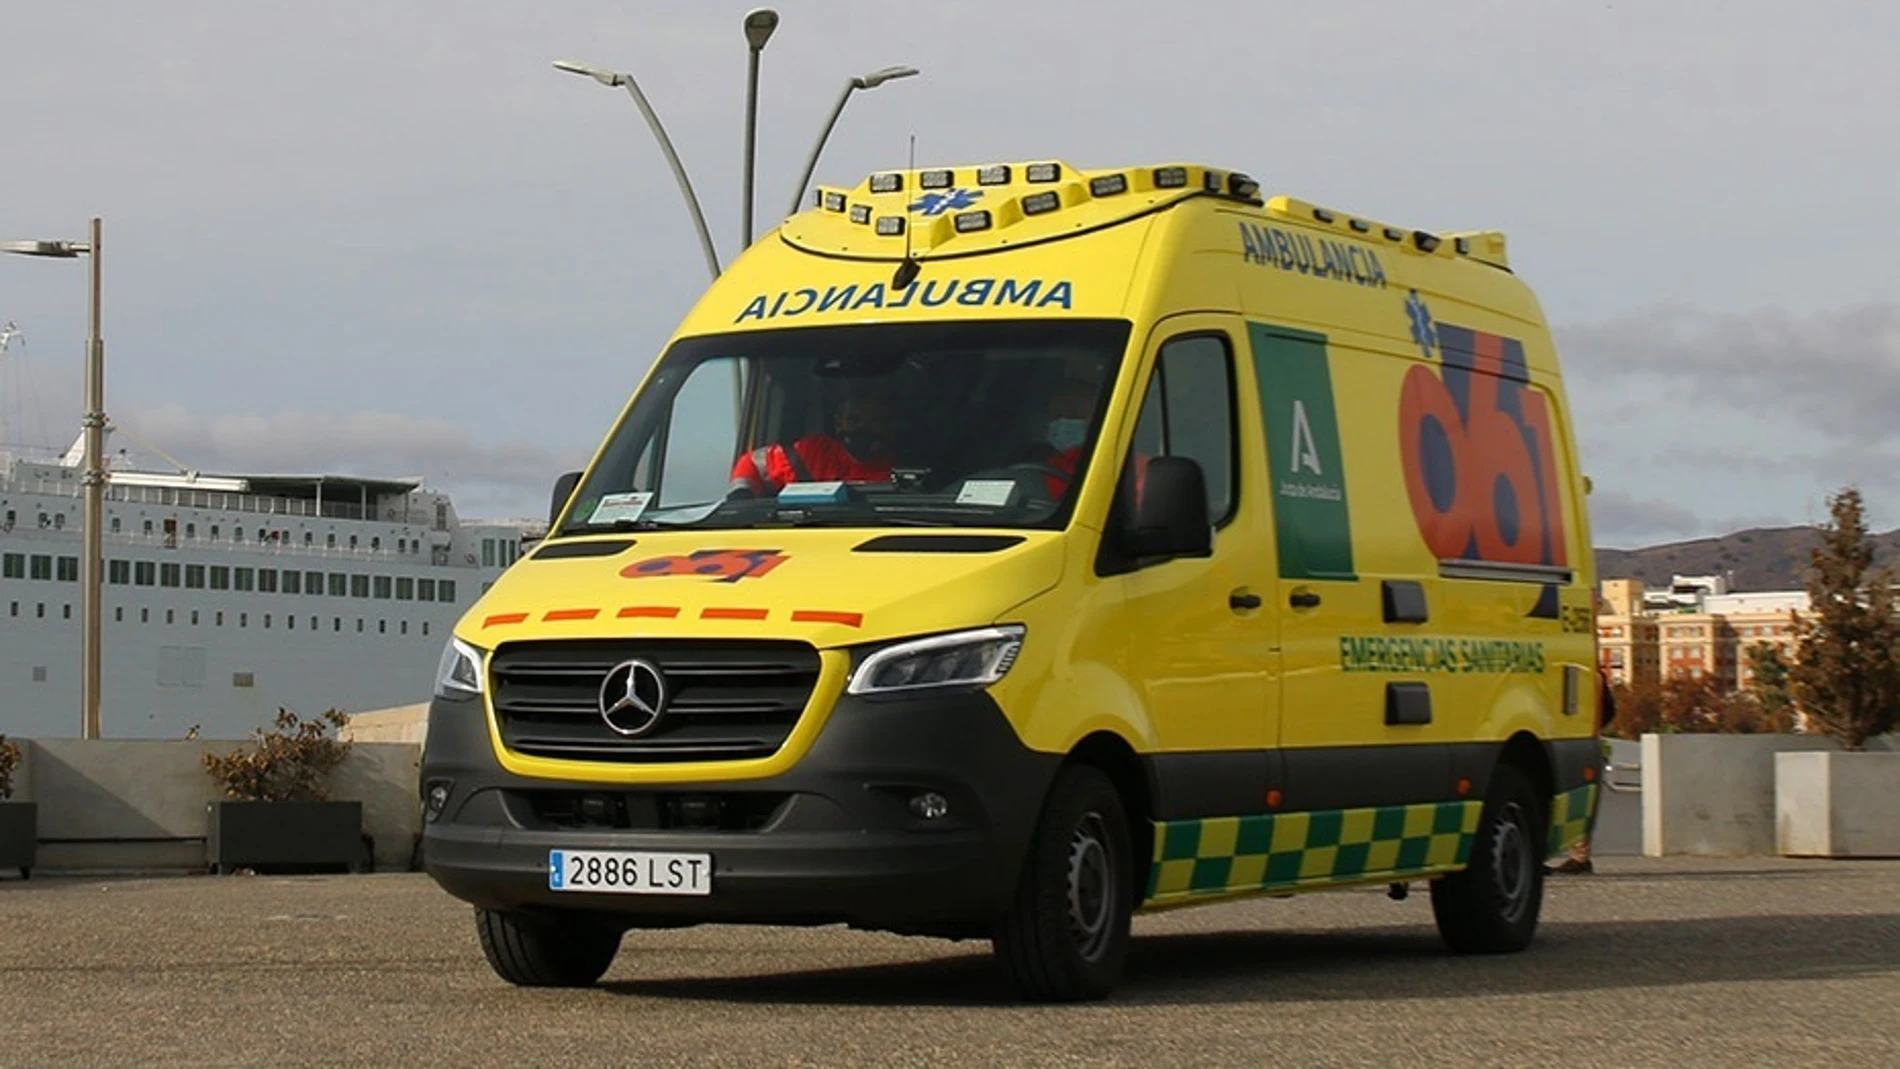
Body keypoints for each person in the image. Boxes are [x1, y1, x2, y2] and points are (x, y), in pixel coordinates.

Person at [728, 389, 898, 497]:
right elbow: (754, 462)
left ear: (888, 425)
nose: (863, 428)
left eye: (874, 421)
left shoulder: (905, 467)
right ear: (838, 423)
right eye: (853, 420)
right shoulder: (811, 453)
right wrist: (742, 493)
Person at [1551, 672, 1617, 875]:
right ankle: (1579, 857)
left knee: (1575, 801)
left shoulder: (1580, 675)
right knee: (1577, 800)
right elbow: (1609, 711)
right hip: (1585, 739)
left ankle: (1579, 858)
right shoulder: (1592, 676)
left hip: (1576, 740)